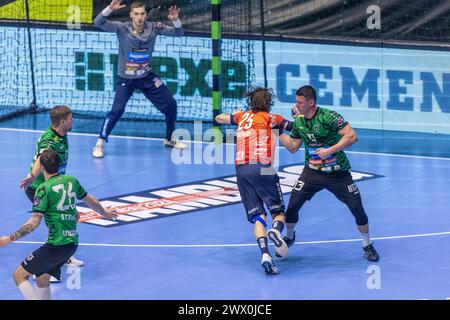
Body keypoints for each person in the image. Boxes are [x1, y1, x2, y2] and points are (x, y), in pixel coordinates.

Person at [273, 85, 379, 261]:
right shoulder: (299, 121)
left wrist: (331, 150)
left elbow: (352, 136)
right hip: (312, 173)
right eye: (296, 101)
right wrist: (276, 130)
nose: (296, 105)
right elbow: (292, 147)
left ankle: (366, 244)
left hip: (338, 173)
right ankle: (290, 236)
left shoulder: (328, 117)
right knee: (292, 207)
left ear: (311, 102)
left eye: (300, 102)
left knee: (357, 209)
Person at [0, 150, 118, 300]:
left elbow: (34, 222)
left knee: (19, 276)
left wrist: (9, 239)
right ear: (59, 165)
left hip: (56, 245)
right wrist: (104, 212)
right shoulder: (71, 181)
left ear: (42, 167)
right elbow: (90, 200)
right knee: (42, 279)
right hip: (71, 244)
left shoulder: (43, 189)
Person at [92, 0, 187, 158]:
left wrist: (175, 19)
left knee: (171, 104)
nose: (140, 17)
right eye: (136, 14)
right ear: (131, 15)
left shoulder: (154, 28)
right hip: (126, 79)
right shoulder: (122, 28)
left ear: (145, 15)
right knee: (117, 110)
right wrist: (109, 8)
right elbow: (98, 22)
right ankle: (100, 142)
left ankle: (170, 138)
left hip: (146, 77)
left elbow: (179, 32)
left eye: (142, 13)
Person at [215, 87, 289, 275]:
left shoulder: (242, 117)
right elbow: (296, 127)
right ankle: (276, 231)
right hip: (263, 167)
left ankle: (265, 255)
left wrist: (229, 117)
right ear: (268, 103)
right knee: (278, 213)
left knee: (258, 216)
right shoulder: (271, 118)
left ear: (251, 102)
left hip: (242, 170)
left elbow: (219, 118)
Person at [19, 105, 85, 282]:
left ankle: (61, 257)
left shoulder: (62, 134)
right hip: (40, 187)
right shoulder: (49, 140)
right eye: (71, 118)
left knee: (73, 216)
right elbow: (42, 157)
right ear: (62, 121)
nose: (73, 121)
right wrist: (32, 176)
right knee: (56, 221)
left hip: (54, 184)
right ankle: (49, 268)